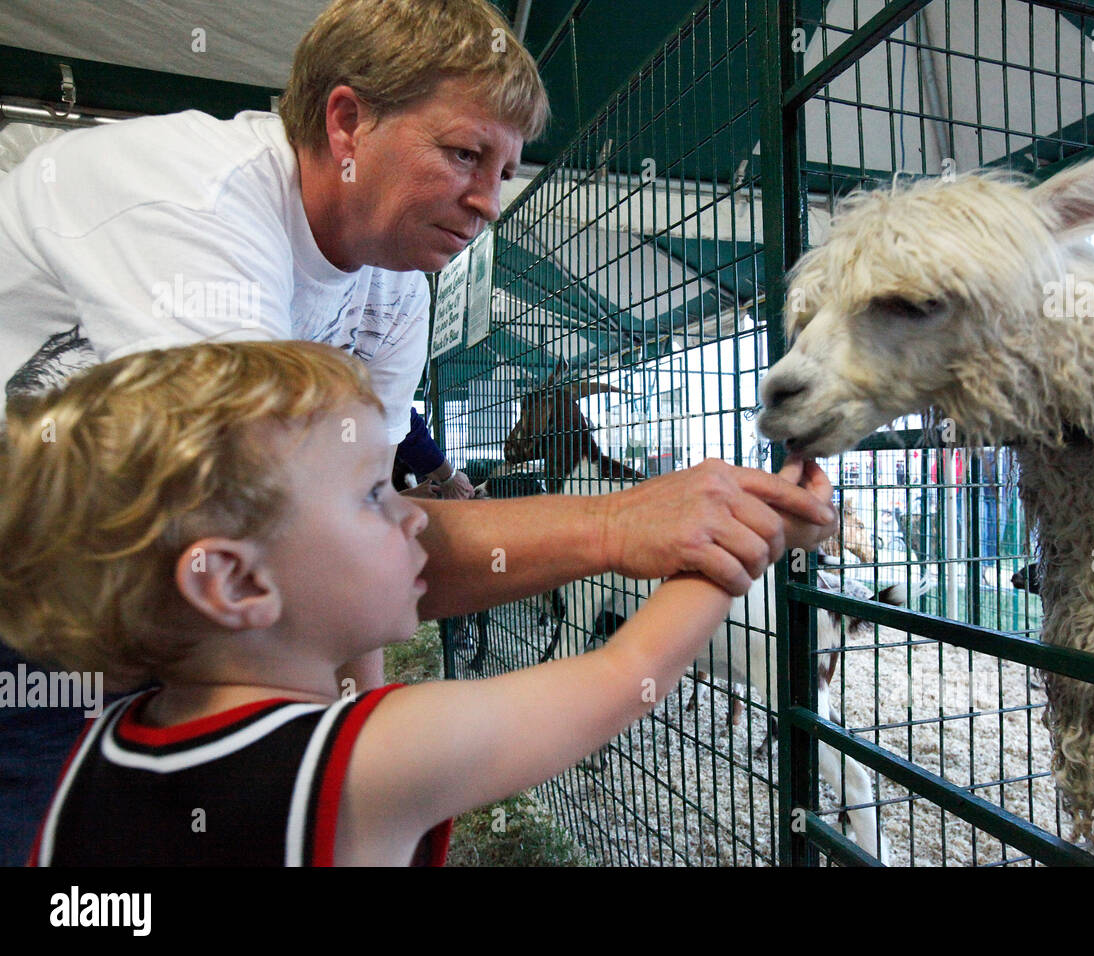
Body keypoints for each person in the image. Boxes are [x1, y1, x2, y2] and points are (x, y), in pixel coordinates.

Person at [0, 0, 836, 863]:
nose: (487, 202)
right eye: (464, 153)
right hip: (38, 601)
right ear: (348, 121)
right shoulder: (192, 206)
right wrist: (622, 524)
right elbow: (269, 530)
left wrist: (358, 709)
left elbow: (325, 530)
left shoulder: (393, 281)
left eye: (506, 170)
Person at [0, 341, 834, 865]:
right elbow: (629, 670)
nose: (415, 516)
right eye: (372, 496)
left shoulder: (89, 758)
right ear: (234, 582)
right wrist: (744, 534)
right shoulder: (368, 758)